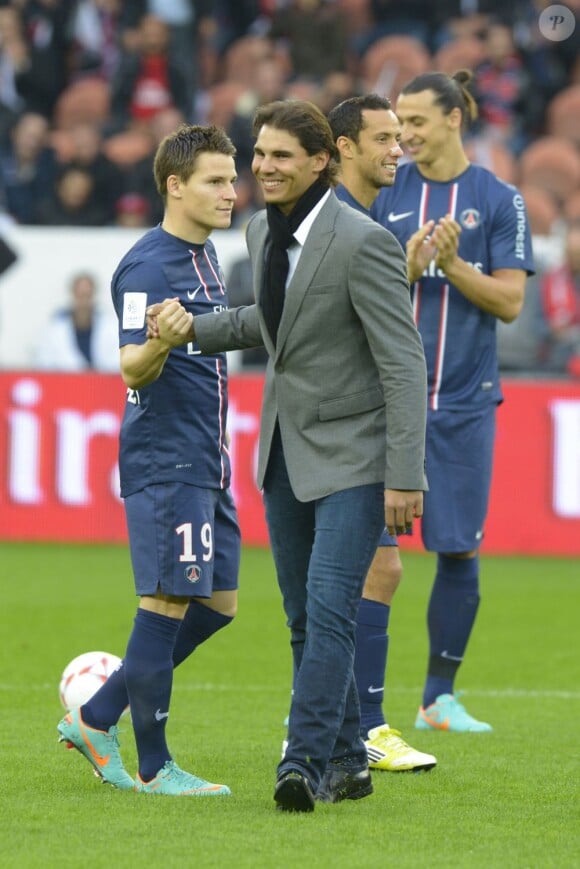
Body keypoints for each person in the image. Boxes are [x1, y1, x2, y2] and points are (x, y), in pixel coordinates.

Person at [148, 99, 428, 811]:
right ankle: (347, 760)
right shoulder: (259, 234)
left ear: (320, 162)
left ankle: (300, 764)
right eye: (258, 155)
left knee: (332, 608)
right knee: (303, 616)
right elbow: (270, 325)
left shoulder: (363, 242)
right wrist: (190, 330)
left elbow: (403, 365)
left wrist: (405, 475)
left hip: (358, 459)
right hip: (283, 453)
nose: (263, 168)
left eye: (279, 156)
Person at [57, 124, 241, 797]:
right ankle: (155, 765)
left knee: (218, 604)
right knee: (164, 599)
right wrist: (161, 341)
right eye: (217, 181)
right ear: (175, 185)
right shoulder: (147, 265)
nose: (232, 191)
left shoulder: (207, 255)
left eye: (231, 178)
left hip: (207, 456)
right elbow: (130, 359)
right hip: (170, 458)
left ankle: (98, 713)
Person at [370, 69, 534, 732]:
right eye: (398, 123)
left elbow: (512, 301)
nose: (404, 135)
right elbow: (361, 286)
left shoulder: (499, 199)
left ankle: (439, 696)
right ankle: (362, 702)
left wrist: (452, 264)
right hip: (384, 402)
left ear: (453, 119)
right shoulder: (387, 191)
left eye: (415, 121)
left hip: (464, 400)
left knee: (460, 548)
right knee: (373, 554)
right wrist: (407, 267)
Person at [327, 93, 436, 772]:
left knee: (370, 571)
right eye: (384, 137)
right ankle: (355, 723)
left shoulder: (362, 224)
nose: (398, 148)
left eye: (400, 136)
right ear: (343, 146)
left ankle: (337, 720)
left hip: (351, 428)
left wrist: (406, 271)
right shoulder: (337, 222)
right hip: (344, 431)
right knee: (361, 573)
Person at [34, 271, 119, 372]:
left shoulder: (111, 329)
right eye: (80, 295)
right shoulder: (54, 332)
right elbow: (43, 366)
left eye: (87, 295)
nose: (83, 301)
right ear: (73, 294)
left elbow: (117, 364)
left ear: (93, 295)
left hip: (103, 385)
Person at [539, 220, 580, 379]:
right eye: (572, 252)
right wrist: (552, 331)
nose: (575, 258)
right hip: (556, 363)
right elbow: (537, 323)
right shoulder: (549, 279)